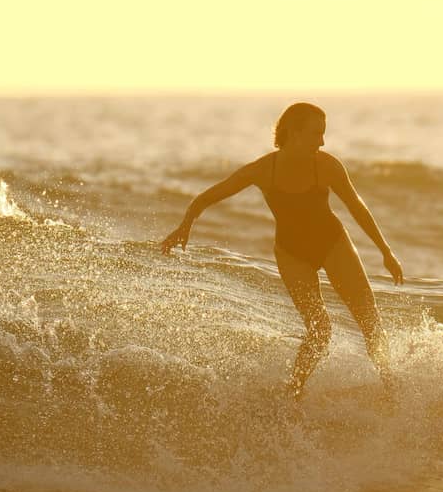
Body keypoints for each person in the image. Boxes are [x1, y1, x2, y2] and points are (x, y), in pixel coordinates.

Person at [160, 102, 403, 399]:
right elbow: (208, 197)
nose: (323, 141)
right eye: (317, 133)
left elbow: (357, 207)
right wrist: (185, 226)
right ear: (295, 132)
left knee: (370, 322)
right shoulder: (263, 170)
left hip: (332, 243)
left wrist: (385, 252)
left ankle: (393, 392)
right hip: (291, 252)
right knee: (319, 331)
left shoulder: (326, 165)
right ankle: (293, 393)